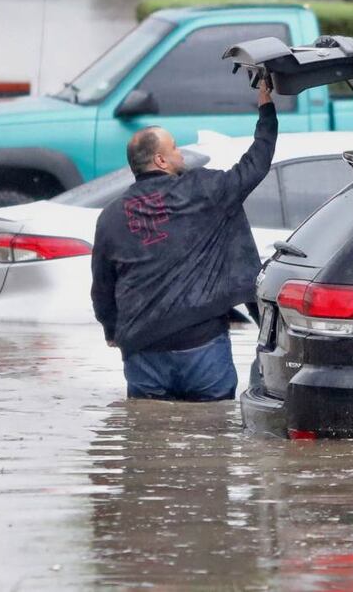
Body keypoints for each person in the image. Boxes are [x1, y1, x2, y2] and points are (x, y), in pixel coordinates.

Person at [91, 80, 277, 401]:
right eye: (175, 147)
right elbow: (256, 163)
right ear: (161, 161)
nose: (181, 152)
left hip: (141, 350)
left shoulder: (110, 216)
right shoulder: (202, 190)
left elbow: (102, 288)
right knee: (212, 437)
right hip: (201, 346)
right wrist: (266, 108)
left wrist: (111, 331)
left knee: (147, 439)